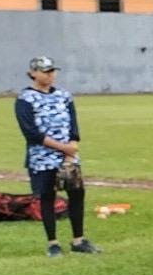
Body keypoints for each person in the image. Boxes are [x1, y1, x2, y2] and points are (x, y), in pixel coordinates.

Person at [14, 55, 98, 258]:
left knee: (77, 194)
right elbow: (31, 132)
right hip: (42, 157)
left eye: (52, 71)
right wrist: (62, 148)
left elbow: (73, 125)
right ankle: (53, 242)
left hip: (68, 156)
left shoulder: (63, 96)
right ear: (33, 73)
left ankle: (78, 239)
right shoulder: (25, 99)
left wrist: (71, 150)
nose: (50, 75)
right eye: (45, 71)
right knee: (47, 197)